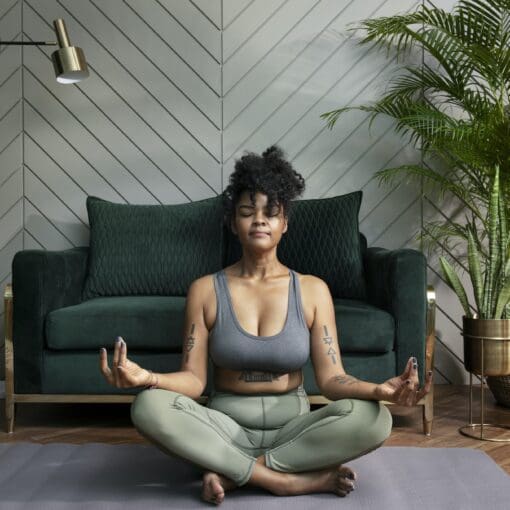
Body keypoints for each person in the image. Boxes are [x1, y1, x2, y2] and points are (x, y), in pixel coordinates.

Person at [99, 145, 432, 505]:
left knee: (374, 419)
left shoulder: (312, 290)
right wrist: (146, 378)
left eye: (271, 213)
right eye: (247, 212)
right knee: (148, 407)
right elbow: (194, 382)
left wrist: (378, 391)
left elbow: (333, 381)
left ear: (285, 223)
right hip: (224, 427)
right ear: (233, 222)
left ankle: (232, 472)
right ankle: (286, 481)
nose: (259, 220)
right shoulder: (205, 290)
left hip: (294, 430)